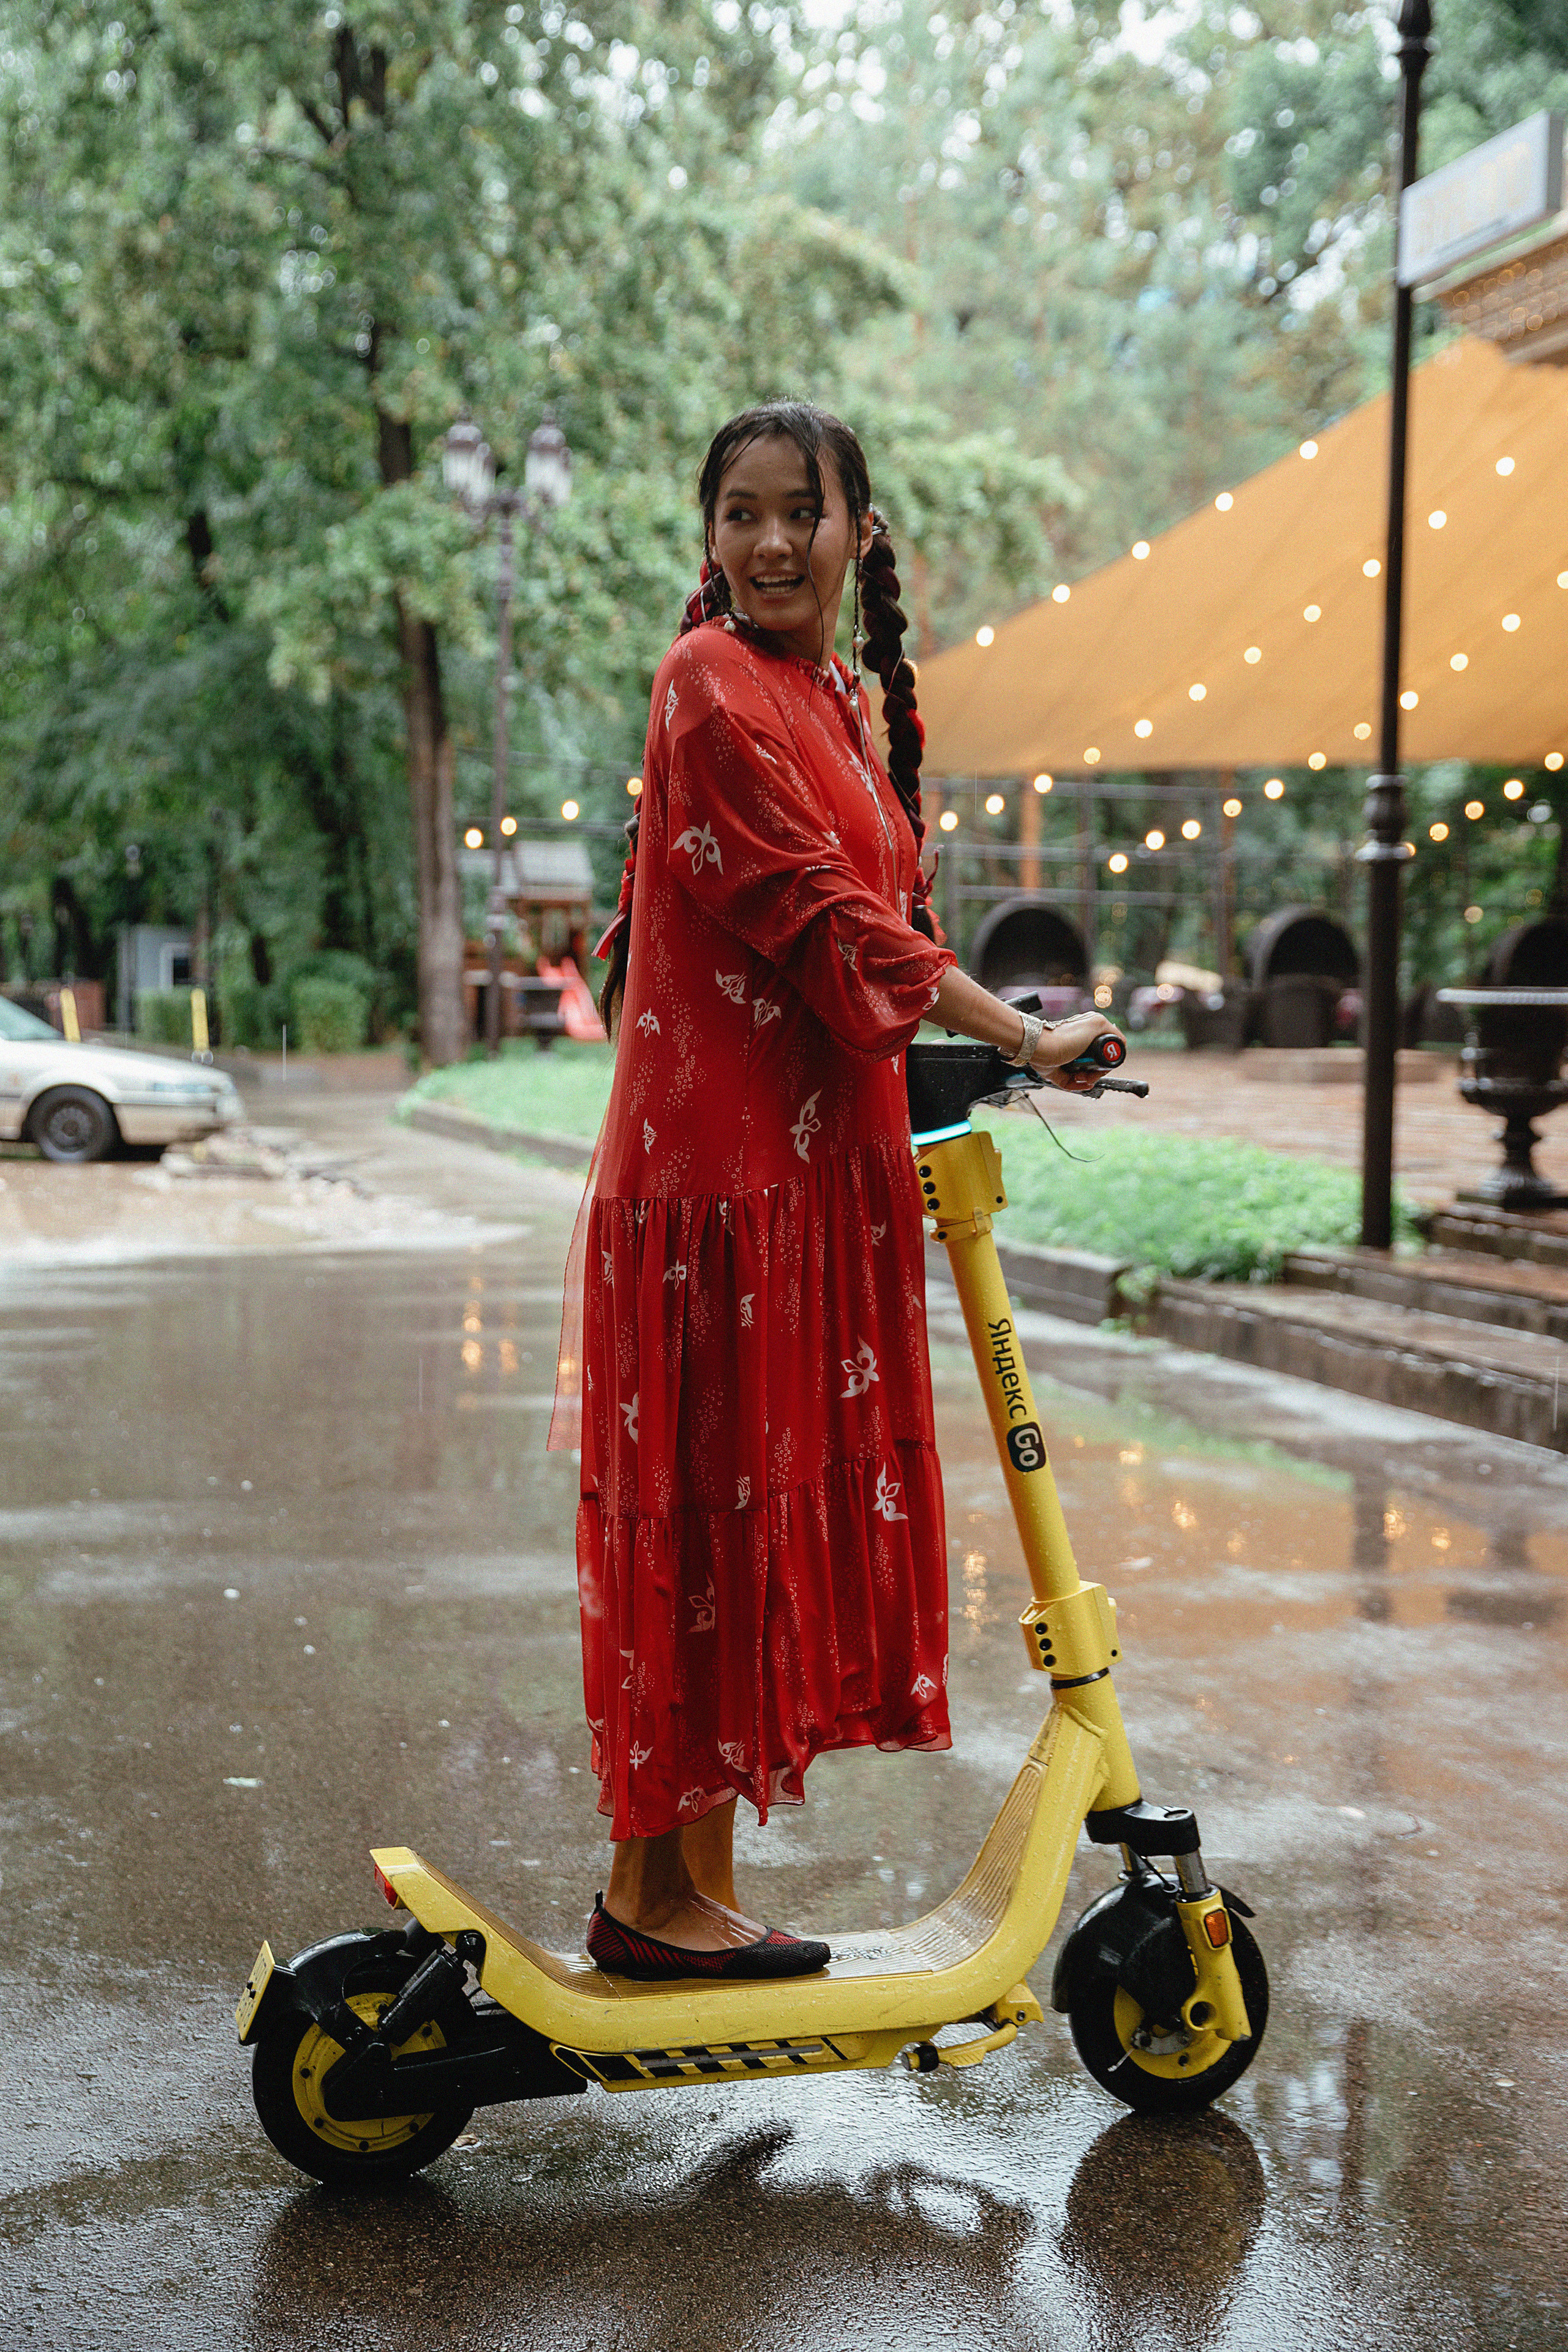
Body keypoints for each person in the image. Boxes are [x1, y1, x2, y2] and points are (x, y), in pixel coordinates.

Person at [549, 400, 1117, 1983]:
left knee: (739, 1535)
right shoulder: (708, 687)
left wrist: (982, 1049)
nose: (772, 539)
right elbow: (818, 916)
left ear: (862, 530)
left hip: (809, 1182)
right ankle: (647, 1898)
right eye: (740, 512)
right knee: (704, 1528)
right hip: (721, 1197)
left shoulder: (839, 699)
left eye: (804, 509)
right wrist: (1018, 1028)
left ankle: (673, 1900)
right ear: (707, 536)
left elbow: (873, 918)